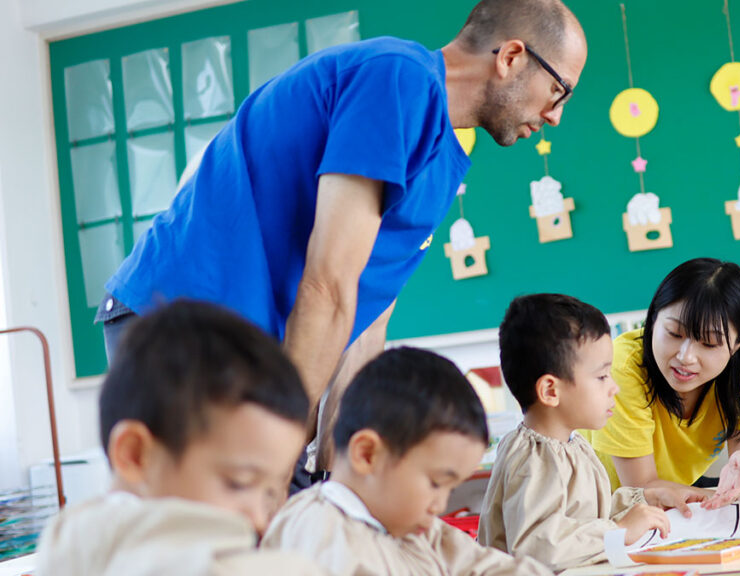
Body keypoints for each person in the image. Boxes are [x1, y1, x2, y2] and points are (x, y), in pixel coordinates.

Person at [95, 0, 589, 486]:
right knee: (230, 517)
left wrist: (337, 472)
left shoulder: (444, 161)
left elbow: (367, 317)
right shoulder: (397, 78)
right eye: (558, 91)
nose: (556, 116)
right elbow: (327, 284)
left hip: (259, 357)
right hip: (184, 321)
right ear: (511, 57)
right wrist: (280, 455)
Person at [36, 301, 324, 575]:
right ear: (135, 455)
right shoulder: (166, 559)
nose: (259, 520)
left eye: (269, 495)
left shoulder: (71, 537)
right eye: (239, 483)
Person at [261, 347, 551, 576]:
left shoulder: (412, 526)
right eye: (436, 483)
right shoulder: (318, 535)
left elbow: (486, 566)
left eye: (449, 489)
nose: (440, 505)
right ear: (367, 455)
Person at [478, 294, 701, 571]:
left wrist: (646, 499)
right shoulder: (534, 460)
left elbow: (587, 512)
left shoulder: (572, 443)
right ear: (550, 391)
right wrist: (619, 531)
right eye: (602, 376)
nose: (614, 387)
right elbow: (538, 547)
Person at [587, 258, 740, 512]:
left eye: (709, 343)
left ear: (738, 343)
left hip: (675, 497)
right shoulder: (624, 367)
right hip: (604, 506)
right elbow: (642, 490)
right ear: (653, 319)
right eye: (674, 333)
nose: (686, 357)